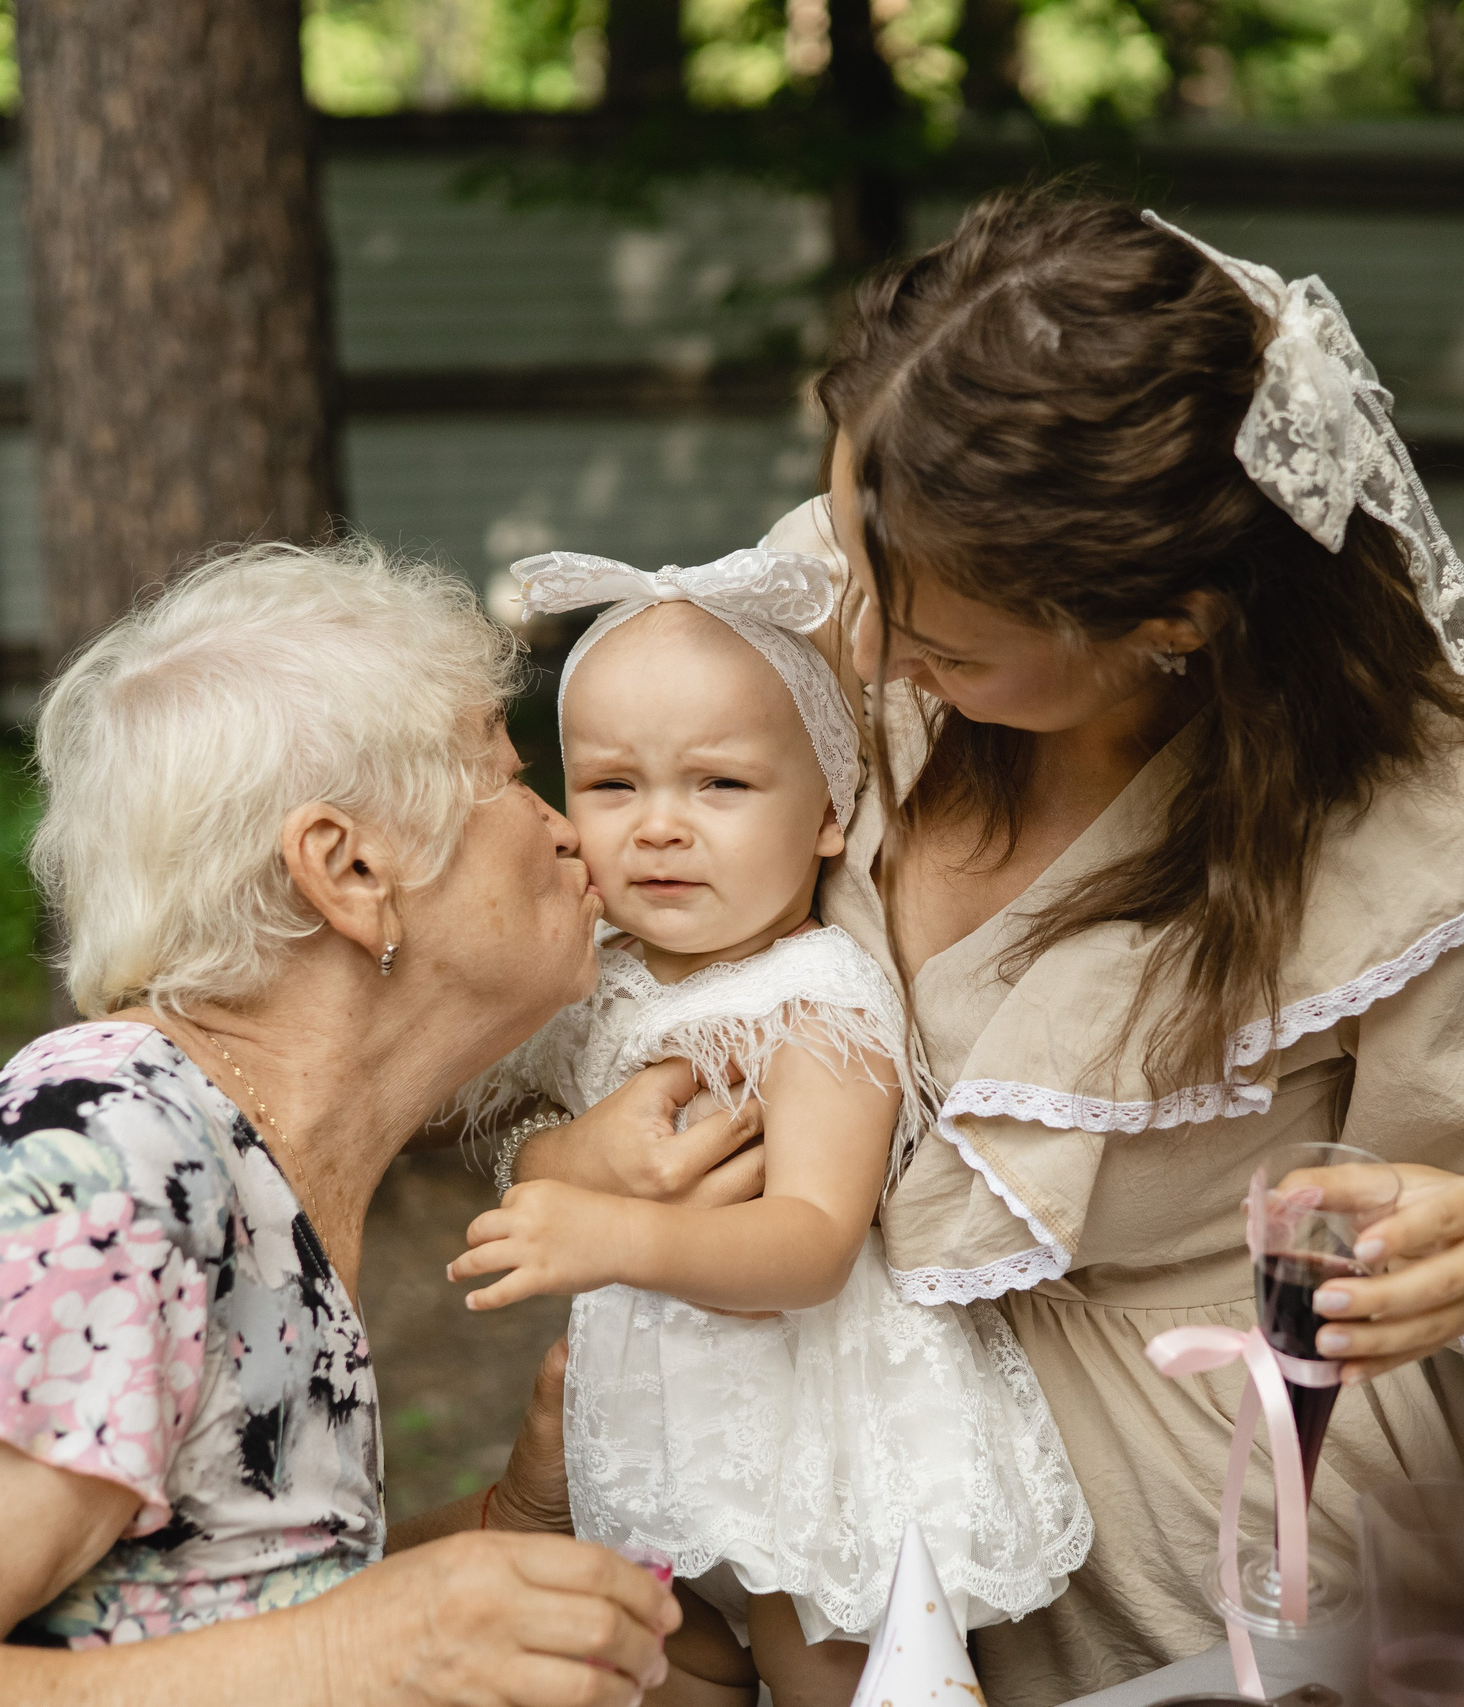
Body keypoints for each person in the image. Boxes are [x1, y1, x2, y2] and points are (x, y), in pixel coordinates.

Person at [516, 191, 1464, 1705]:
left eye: (946, 642)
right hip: (829, 1497)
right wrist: (583, 1166)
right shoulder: (857, 602)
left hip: (1199, 1569)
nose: (871, 653)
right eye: (859, 558)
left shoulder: (1423, 824)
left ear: (1177, 621)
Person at [0, 539, 705, 1707]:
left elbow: (170, 1626)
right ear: (346, 870)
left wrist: (508, 1526)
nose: (564, 827)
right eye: (506, 776)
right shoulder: (83, 1184)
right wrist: (356, 1654)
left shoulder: (243, 1172)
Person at [446, 547, 1090, 1707]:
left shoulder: (816, 1000)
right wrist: (562, 1165)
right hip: (671, 1433)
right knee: (652, 1650)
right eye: (610, 786)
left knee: (832, 1673)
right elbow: (536, 1125)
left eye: (720, 786)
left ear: (830, 814)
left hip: (815, 1443)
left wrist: (610, 1238)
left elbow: (810, 1242)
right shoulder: (604, 980)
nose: (657, 829)